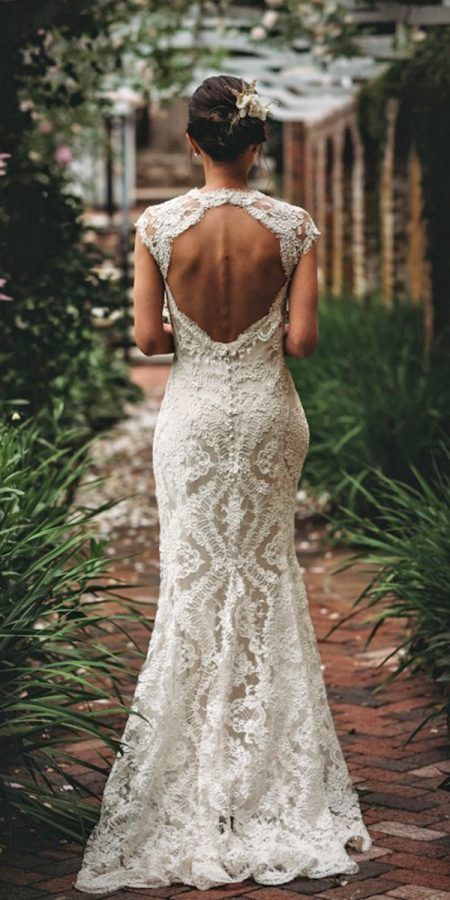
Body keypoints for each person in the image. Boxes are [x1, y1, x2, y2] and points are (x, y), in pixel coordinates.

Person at [75, 74, 372, 895]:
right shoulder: (294, 226)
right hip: (273, 416)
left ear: (192, 144)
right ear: (259, 144)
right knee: (268, 580)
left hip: (195, 419)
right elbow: (304, 342)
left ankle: (193, 771)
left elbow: (144, 338)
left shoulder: (159, 225)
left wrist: (185, 320)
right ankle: (268, 775)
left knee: (195, 583)